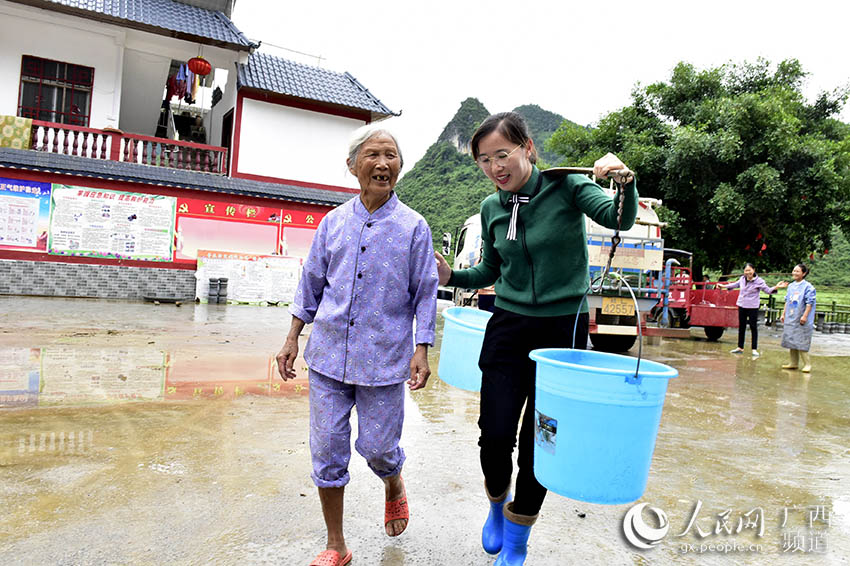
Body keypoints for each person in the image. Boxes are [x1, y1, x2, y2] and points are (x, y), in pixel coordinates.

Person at [434, 112, 637, 565]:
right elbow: (489, 270)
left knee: (539, 442)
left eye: (502, 155)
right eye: (484, 160)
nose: (494, 167)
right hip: (506, 326)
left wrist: (624, 179)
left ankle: (519, 536)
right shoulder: (491, 207)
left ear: (527, 148)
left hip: (561, 330)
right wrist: (450, 274)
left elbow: (618, 217)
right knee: (494, 435)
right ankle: (495, 507)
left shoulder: (568, 188)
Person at [276, 124, 438, 566]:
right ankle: (336, 545)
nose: (383, 164)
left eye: (391, 156)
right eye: (372, 155)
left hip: (384, 360)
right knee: (328, 449)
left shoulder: (414, 228)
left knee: (379, 447)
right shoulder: (332, 222)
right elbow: (311, 283)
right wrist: (292, 336)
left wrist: (421, 348)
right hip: (327, 355)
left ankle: (393, 482)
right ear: (353, 166)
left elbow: (425, 291)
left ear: (399, 167)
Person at [716, 263, 787, 357]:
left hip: (753, 307)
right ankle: (740, 347)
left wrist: (777, 287)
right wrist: (723, 286)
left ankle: (754, 349)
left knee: (753, 327)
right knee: (742, 327)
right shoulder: (742, 279)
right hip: (741, 305)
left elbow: (768, 290)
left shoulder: (759, 281)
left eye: (749, 270)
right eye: (746, 270)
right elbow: (734, 285)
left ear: (754, 270)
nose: (748, 272)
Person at [780, 263, 816, 372]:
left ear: (804, 273)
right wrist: (783, 313)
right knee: (791, 340)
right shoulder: (791, 286)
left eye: (797, 271)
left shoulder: (808, 287)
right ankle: (793, 363)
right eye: (794, 271)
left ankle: (807, 364)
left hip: (801, 318)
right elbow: (787, 300)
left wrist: (805, 316)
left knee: (801, 341)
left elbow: (810, 303)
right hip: (791, 317)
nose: (794, 273)